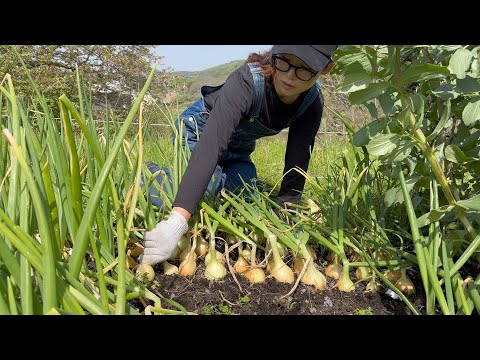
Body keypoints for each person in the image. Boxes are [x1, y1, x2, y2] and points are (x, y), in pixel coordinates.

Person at [140, 45, 337, 266]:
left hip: (238, 148)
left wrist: (286, 220)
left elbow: (297, 163)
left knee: (246, 194)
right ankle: (144, 177)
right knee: (210, 187)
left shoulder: (312, 103)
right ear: (274, 54)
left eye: (304, 70)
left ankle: (212, 179)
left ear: (326, 69)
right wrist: (176, 223)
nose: (290, 76)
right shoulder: (247, 81)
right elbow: (211, 146)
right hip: (200, 132)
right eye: (284, 62)